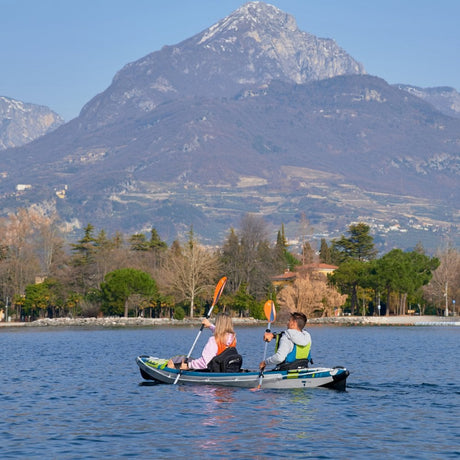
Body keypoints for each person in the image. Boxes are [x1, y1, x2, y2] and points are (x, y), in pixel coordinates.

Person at [167, 312, 237, 370]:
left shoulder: (214, 340)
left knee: (185, 366)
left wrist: (189, 365)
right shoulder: (233, 338)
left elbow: (204, 363)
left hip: (213, 370)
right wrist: (210, 325)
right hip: (224, 368)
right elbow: (222, 333)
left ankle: (172, 369)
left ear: (218, 324)